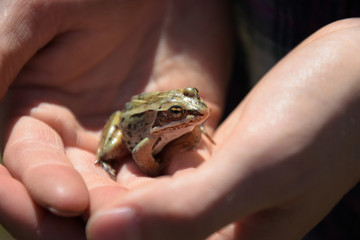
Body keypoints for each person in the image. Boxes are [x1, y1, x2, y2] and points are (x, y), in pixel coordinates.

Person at [0, 0, 359, 239]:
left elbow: (194, 114)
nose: (194, 112)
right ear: (168, 118)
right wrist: (155, 163)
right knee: (110, 151)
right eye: (180, 113)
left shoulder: (191, 114)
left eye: (192, 103)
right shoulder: (149, 133)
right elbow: (141, 148)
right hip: (133, 118)